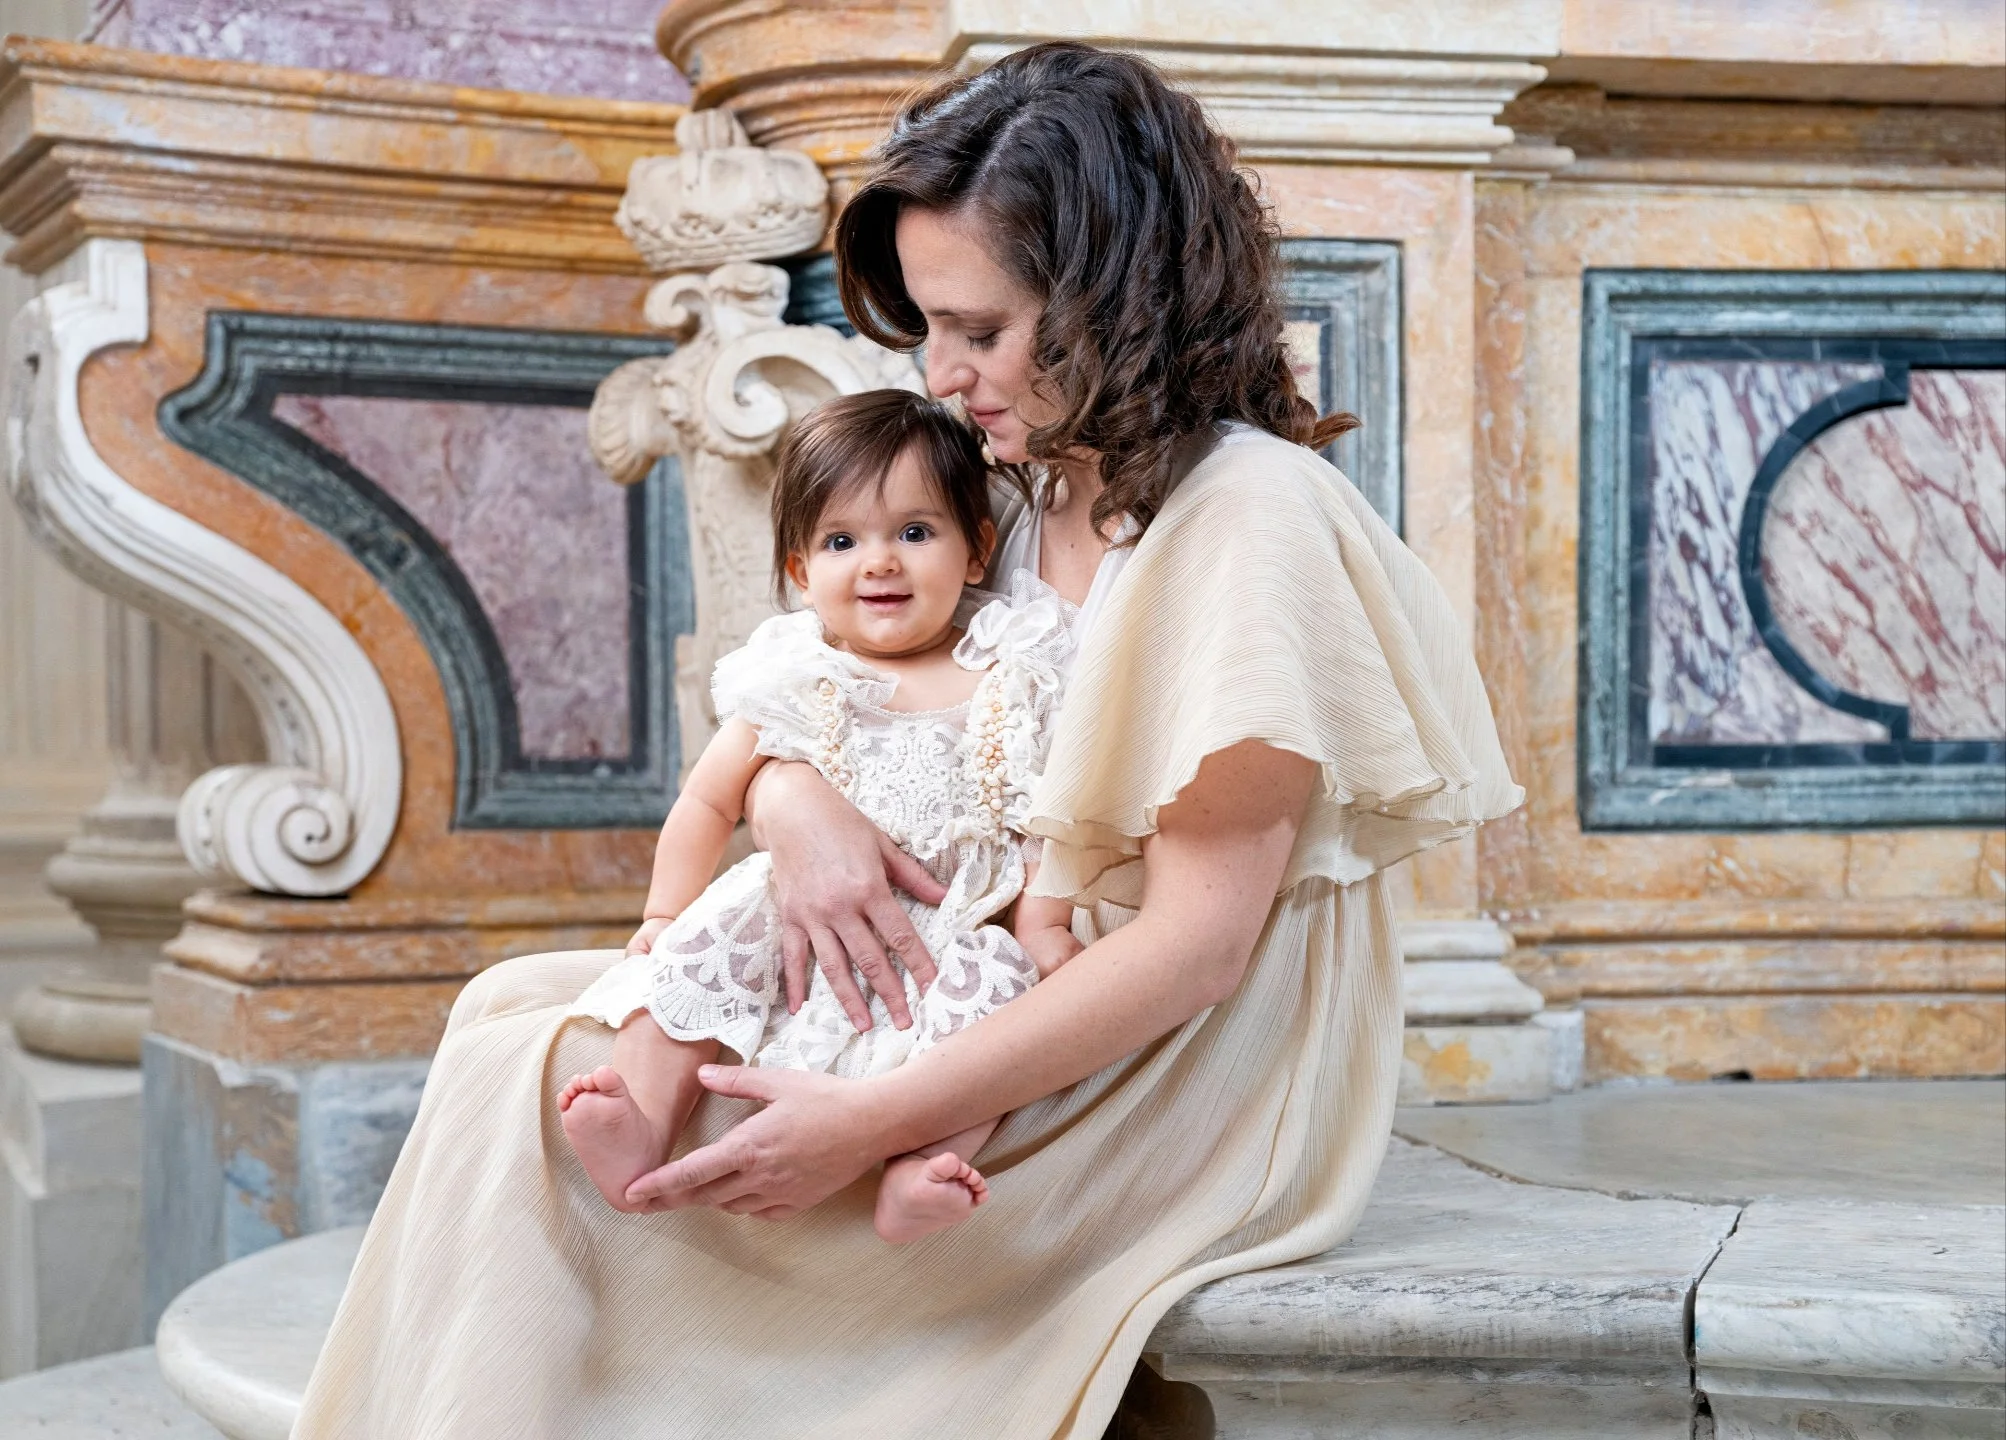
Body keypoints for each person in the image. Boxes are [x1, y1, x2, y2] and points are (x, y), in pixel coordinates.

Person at [296, 41, 1519, 1439]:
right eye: (927, 328)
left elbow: (1195, 949)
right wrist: (793, 799)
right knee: (503, 1022)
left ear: (1115, 302)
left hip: (1159, 1065)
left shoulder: (1250, 515)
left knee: (543, 1097)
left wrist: (867, 1120)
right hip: (969, 970)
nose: (943, 373)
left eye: (980, 330)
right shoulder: (1013, 482)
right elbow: (860, 681)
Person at [558, 388, 1080, 1243]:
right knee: (702, 954)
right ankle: (642, 1119)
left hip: (955, 920)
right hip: (794, 914)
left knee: (998, 991)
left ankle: (917, 1169)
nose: (879, 562)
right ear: (802, 572)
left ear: (978, 549)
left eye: (915, 532)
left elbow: (1049, 813)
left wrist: (1045, 923)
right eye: (842, 541)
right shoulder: (799, 675)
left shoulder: (1011, 669)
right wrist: (661, 914)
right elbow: (707, 798)